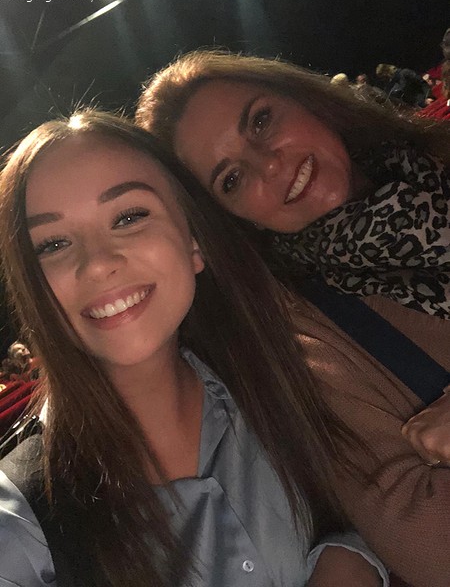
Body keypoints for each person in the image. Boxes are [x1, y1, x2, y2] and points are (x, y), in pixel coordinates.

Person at [0, 110, 387, 587]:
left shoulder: (288, 379)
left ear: (194, 243)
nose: (97, 264)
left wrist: (349, 558)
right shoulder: (20, 523)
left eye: (129, 217)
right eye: (53, 244)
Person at [135, 49, 450, 586]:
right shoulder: (304, 343)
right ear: (232, 219)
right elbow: (433, 547)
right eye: (232, 179)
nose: (271, 165)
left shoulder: (436, 154)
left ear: (305, 99)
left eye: (261, 121)